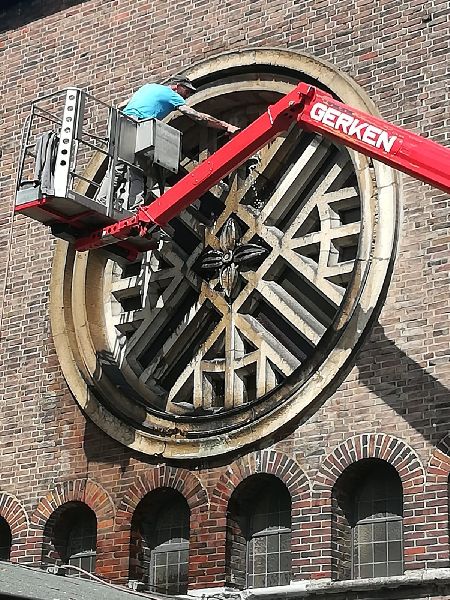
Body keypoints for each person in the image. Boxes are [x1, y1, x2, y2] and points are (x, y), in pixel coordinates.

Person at [121, 76, 239, 134]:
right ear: (176, 87)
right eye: (186, 91)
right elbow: (197, 116)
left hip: (122, 121)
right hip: (138, 124)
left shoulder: (148, 87)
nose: (187, 96)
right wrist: (226, 126)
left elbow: (123, 104)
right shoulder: (172, 95)